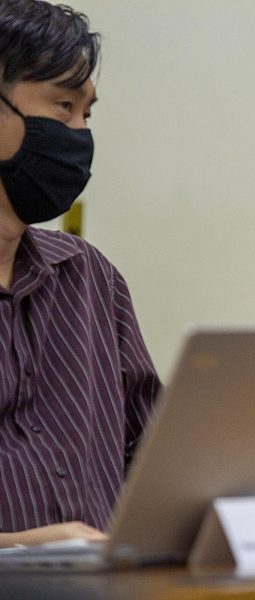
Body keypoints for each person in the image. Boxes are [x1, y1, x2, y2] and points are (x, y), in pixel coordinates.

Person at [0, 0, 160, 546]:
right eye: (63, 105)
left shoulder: (90, 278)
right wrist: (25, 547)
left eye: (86, 115)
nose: (78, 134)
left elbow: (151, 458)